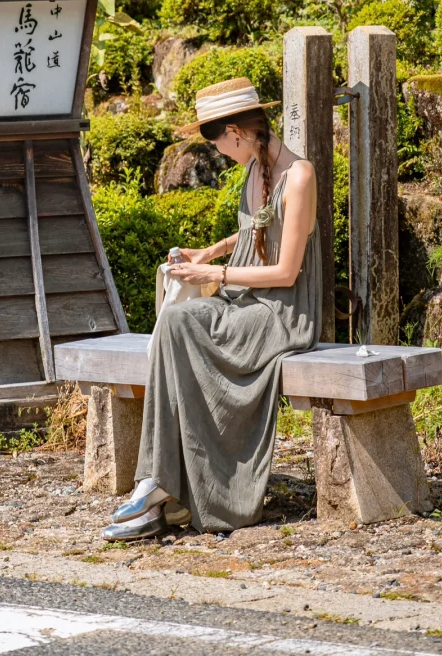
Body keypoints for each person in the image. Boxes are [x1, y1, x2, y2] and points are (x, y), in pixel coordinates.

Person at [102, 76, 321, 540]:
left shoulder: (298, 175)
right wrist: (209, 252)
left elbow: (285, 272)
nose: (221, 153)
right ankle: (160, 485)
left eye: (220, 142)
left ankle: (163, 488)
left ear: (237, 133)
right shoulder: (254, 169)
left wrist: (213, 276)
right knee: (177, 320)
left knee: (183, 322)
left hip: (279, 313)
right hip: (243, 299)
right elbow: (252, 234)